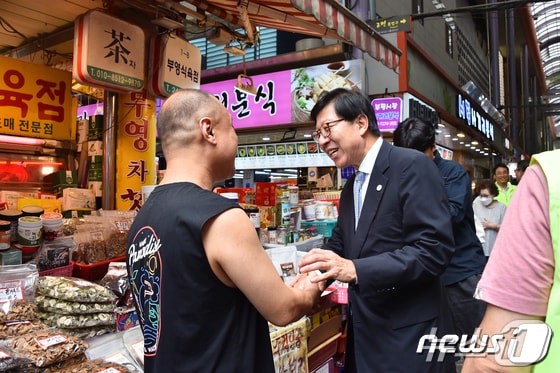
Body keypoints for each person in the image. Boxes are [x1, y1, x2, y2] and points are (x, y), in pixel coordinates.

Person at [126, 89, 324, 373]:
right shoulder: (221, 217)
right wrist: (315, 279)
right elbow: (284, 310)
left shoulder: (143, 218)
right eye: (231, 127)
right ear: (208, 130)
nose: (236, 138)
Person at [298, 88, 457, 372]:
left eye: (327, 128)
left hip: (410, 337)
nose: (322, 141)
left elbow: (433, 251)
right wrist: (308, 273)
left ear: (360, 123)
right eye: (317, 134)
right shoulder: (351, 187)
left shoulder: (411, 165)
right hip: (368, 334)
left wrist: (356, 270)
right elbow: (342, 244)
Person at [462, 149, 560, 372]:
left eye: (505, 173)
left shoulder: (549, 178)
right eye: (499, 173)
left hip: (518, 247)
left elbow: (496, 360)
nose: (503, 176)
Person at [393, 117, 487, 339]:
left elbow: (451, 216)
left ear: (433, 146)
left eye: (418, 154)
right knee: (437, 347)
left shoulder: (453, 173)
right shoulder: (398, 177)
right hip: (423, 275)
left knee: (475, 342)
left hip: (460, 272)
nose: (411, 161)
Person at [472, 180, 507, 258]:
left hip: (495, 249)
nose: (483, 198)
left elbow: (507, 229)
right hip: (478, 249)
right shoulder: (476, 203)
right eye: (481, 195)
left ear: (493, 194)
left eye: (486, 196)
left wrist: (493, 226)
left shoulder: (502, 207)